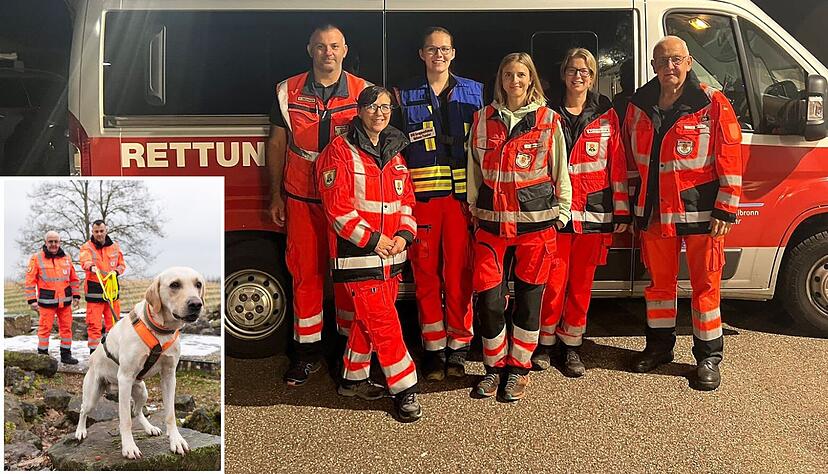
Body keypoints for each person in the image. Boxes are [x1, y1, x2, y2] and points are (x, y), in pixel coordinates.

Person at [623, 36, 742, 390]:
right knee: (659, 287)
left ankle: (708, 356)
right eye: (662, 61)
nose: (670, 67)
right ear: (654, 66)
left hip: (703, 213)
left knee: (706, 286)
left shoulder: (711, 102)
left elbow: (731, 157)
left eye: (676, 60)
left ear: (689, 62)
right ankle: (659, 348)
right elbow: (631, 162)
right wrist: (634, 207)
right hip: (655, 212)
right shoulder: (639, 105)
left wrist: (725, 207)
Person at [266, 24, 371, 385]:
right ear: (310, 49)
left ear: (345, 50)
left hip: (346, 202)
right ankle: (306, 354)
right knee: (306, 274)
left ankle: (347, 350)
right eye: (321, 46)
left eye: (335, 46)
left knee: (348, 275)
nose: (328, 52)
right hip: (301, 196)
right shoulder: (287, 90)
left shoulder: (363, 92)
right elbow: (277, 144)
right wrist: (275, 194)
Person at [467, 52, 572, 401]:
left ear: (531, 80)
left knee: (529, 304)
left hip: (536, 227)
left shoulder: (548, 120)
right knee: (491, 303)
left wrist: (562, 214)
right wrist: (473, 206)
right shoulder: (482, 119)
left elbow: (561, 170)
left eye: (522, 75)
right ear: (501, 80)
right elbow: (473, 172)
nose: (515, 81)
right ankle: (494, 368)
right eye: (509, 74)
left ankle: (519, 369)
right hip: (492, 228)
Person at [316, 86, 422, 422]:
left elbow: (406, 201)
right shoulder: (339, 152)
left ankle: (352, 379)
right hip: (358, 256)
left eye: (386, 106)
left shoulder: (395, 152)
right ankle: (405, 390)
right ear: (360, 110)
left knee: (368, 321)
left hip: (392, 256)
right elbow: (338, 210)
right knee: (386, 325)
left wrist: (404, 236)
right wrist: (375, 241)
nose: (380, 112)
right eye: (373, 106)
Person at [532, 48, 630, 376]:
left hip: (594, 215)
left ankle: (572, 346)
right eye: (573, 70)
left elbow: (617, 163)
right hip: (557, 214)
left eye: (585, 71)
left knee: (581, 286)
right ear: (564, 74)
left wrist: (621, 211)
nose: (578, 76)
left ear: (592, 76)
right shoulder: (548, 113)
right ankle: (545, 344)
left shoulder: (606, 112)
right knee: (553, 283)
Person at [394, 27, 483, 381]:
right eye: (432, 49)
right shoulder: (403, 94)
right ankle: (433, 350)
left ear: (454, 53)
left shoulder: (475, 92)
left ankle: (458, 347)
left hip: (462, 204)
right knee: (427, 277)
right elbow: (396, 149)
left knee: (460, 275)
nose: (438, 55)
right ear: (422, 54)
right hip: (424, 203)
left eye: (444, 49)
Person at [24, 231, 81, 364]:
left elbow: (73, 279)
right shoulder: (36, 258)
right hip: (46, 302)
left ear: (59, 242)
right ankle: (43, 356)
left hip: (65, 302)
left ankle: (66, 355)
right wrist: (32, 300)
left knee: (66, 329)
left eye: (56, 241)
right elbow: (30, 281)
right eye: (51, 242)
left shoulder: (66, 257)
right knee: (45, 329)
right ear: (45, 242)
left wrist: (76, 295)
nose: (54, 244)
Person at [79, 219, 126, 353]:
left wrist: (116, 272)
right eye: (96, 231)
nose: (99, 234)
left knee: (113, 325)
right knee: (94, 325)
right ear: (92, 232)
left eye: (101, 231)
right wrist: (90, 266)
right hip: (95, 291)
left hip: (112, 292)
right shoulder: (86, 247)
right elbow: (84, 260)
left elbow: (122, 265)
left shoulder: (115, 247)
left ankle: (111, 353)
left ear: (106, 231)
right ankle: (94, 354)